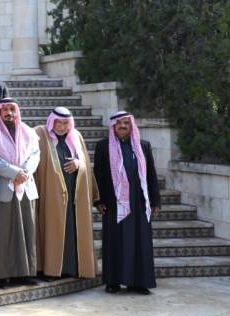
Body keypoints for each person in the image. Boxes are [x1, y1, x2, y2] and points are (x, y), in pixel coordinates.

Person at [94, 111, 160, 295]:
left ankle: (138, 282)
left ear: (132, 126)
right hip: (113, 203)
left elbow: (151, 174)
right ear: (113, 126)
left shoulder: (143, 146)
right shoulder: (103, 146)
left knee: (140, 241)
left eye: (127, 123)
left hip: (139, 202)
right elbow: (98, 174)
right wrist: (98, 200)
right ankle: (113, 281)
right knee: (114, 241)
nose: (123, 126)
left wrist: (155, 200)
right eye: (119, 123)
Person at [34, 107, 99, 280]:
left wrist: (78, 164)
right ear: (52, 121)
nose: (62, 127)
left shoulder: (76, 136)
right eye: (59, 123)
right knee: (52, 229)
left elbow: (85, 163)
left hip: (74, 194)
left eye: (66, 123)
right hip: (50, 194)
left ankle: (74, 268)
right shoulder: (41, 134)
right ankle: (51, 269)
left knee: (73, 230)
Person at [0, 98, 41, 287]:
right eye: (5, 110)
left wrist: (25, 172)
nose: (9, 113)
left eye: (12, 109)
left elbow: (35, 154)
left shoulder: (28, 131)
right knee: (2, 233)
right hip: (4, 188)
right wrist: (14, 172)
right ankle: (2, 275)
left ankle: (26, 273)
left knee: (28, 231)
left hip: (26, 187)